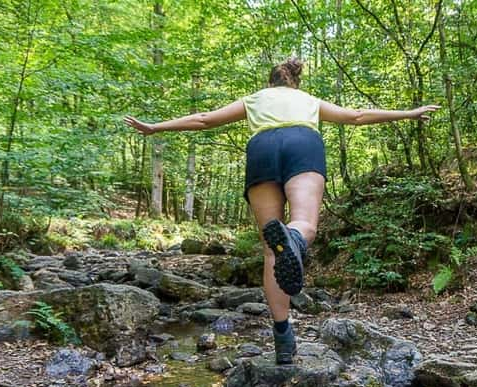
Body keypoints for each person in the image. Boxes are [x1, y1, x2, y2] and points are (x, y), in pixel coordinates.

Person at [124, 58, 439, 365]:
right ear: (295, 81)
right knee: (305, 225)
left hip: (262, 148)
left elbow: (204, 119)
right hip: (303, 144)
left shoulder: (254, 100)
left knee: (271, 250)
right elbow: (356, 115)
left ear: (269, 82)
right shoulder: (308, 100)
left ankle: (283, 339)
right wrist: (409, 113)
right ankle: (294, 236)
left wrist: (155, 127)